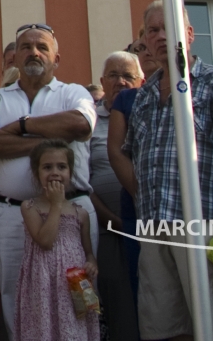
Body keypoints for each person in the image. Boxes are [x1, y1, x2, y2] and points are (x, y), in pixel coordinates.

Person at [120, 1, 213, 341]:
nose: (162, 37)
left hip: (204, 223)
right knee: (164, 331)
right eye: (153, 31)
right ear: (145, 42)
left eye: (171, 29)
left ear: (190, 35)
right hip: (154, 228)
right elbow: (135, 160)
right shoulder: (144, 95)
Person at [0, 24, 95, 338]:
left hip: (72, 212)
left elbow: (80, 124)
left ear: (57, 57)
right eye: (26, 46)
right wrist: (48, 147)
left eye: (41, 46)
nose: (33, 52)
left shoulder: (73, 93)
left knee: (79, 295)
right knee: (16, 297)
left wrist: (23, 125)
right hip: (10, 215)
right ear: (15, 56)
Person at [16, 141, 99, 341]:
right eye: (47, 167)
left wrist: (91, 263)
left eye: (61, 167)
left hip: (73, 286)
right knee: (45, 329)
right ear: (37, 173)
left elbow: (88, 250)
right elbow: (45, 241)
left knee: (74, 329)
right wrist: (56, 205)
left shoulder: (81, 213)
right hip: (44, 283)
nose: (55, 172)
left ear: (70, 172)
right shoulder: (30, 207)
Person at [84, 53, 138, 341]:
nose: (121, 81)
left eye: (128, 76)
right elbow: (81, 180)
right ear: (103, 81)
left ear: (140, 81)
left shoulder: (148, 114)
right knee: (118, 304)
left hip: (148, 227)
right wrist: (112, 220)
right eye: (114, 75)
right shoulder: (89, 118)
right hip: (107, 229)